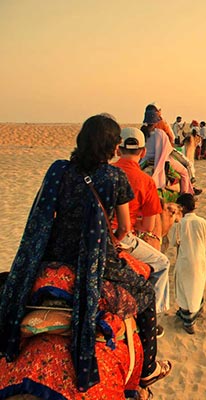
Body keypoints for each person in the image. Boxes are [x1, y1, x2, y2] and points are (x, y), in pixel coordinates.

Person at [0, 114, 171, 398]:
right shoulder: (114, 177)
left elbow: (45, 214)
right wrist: (113, 244)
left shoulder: (58, 170)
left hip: (53, 256)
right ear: (112, 147)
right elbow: (126, 227)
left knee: (9, 287)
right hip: (98, 261)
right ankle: (148, 368)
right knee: (145, 294)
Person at [113, 127, 171, 323]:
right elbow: (147, 226)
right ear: (143, 152)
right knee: (162, 263)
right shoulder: (146, 181)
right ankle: (153, 317)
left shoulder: (106, 172)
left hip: (97, 231)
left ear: (118, 150)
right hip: (122, 235)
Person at [171, 194, 206, 334]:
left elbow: (173, 242)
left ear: (182, 208)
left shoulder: (179, 224)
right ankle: (197, 311)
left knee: (183, 289)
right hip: (200, 260)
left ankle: (188, 322)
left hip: (185, 261)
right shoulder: (202, 222)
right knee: (197, 285)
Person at [140, 106, 197, 195]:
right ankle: (185, 194)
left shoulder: (141, 133)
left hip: (144, 161)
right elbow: (168, 147)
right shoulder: (160, 133)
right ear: (156, 120)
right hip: (163, 158)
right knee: (185, 172)